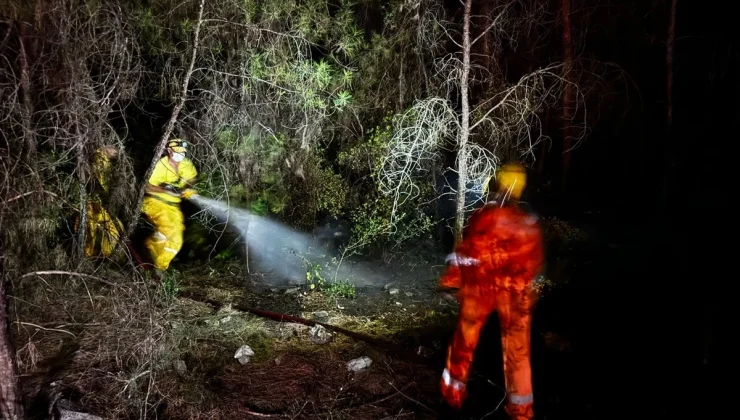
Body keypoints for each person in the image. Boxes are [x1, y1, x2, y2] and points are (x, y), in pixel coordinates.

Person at [438, 163, 544, 420]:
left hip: (481, 290)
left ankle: (453, 393)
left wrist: (451, 281)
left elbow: (467, 252)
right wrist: (529, 294)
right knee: (518, 352)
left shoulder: (485, 217)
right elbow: (534, 264)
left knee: (465, 340)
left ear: (499, 184)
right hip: (515, 294)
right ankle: (521, 409)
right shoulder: (528, 224)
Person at [142, 139, 198, 273]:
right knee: (168, 229)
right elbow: (146, 187)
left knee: (177, 238)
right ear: (169, 151)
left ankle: (160, 264)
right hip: (155, 203)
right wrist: (166, 190)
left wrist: (187, 188)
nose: (180, 156)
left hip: (173, 207)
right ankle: (151, 250)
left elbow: (192, 179)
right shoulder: (159, 165)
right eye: (177, 152)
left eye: (182, 153)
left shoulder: (185, 164)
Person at [76, 145, 124, 258]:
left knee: (95, 226)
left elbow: (97, 180)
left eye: (113, 151)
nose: (110, 147)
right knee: (90, 226)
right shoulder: (99, 157)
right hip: (92, 200)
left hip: (96, 200)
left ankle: (92, 253)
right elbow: (94, 179)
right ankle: (88, 254)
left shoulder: (102, 160)